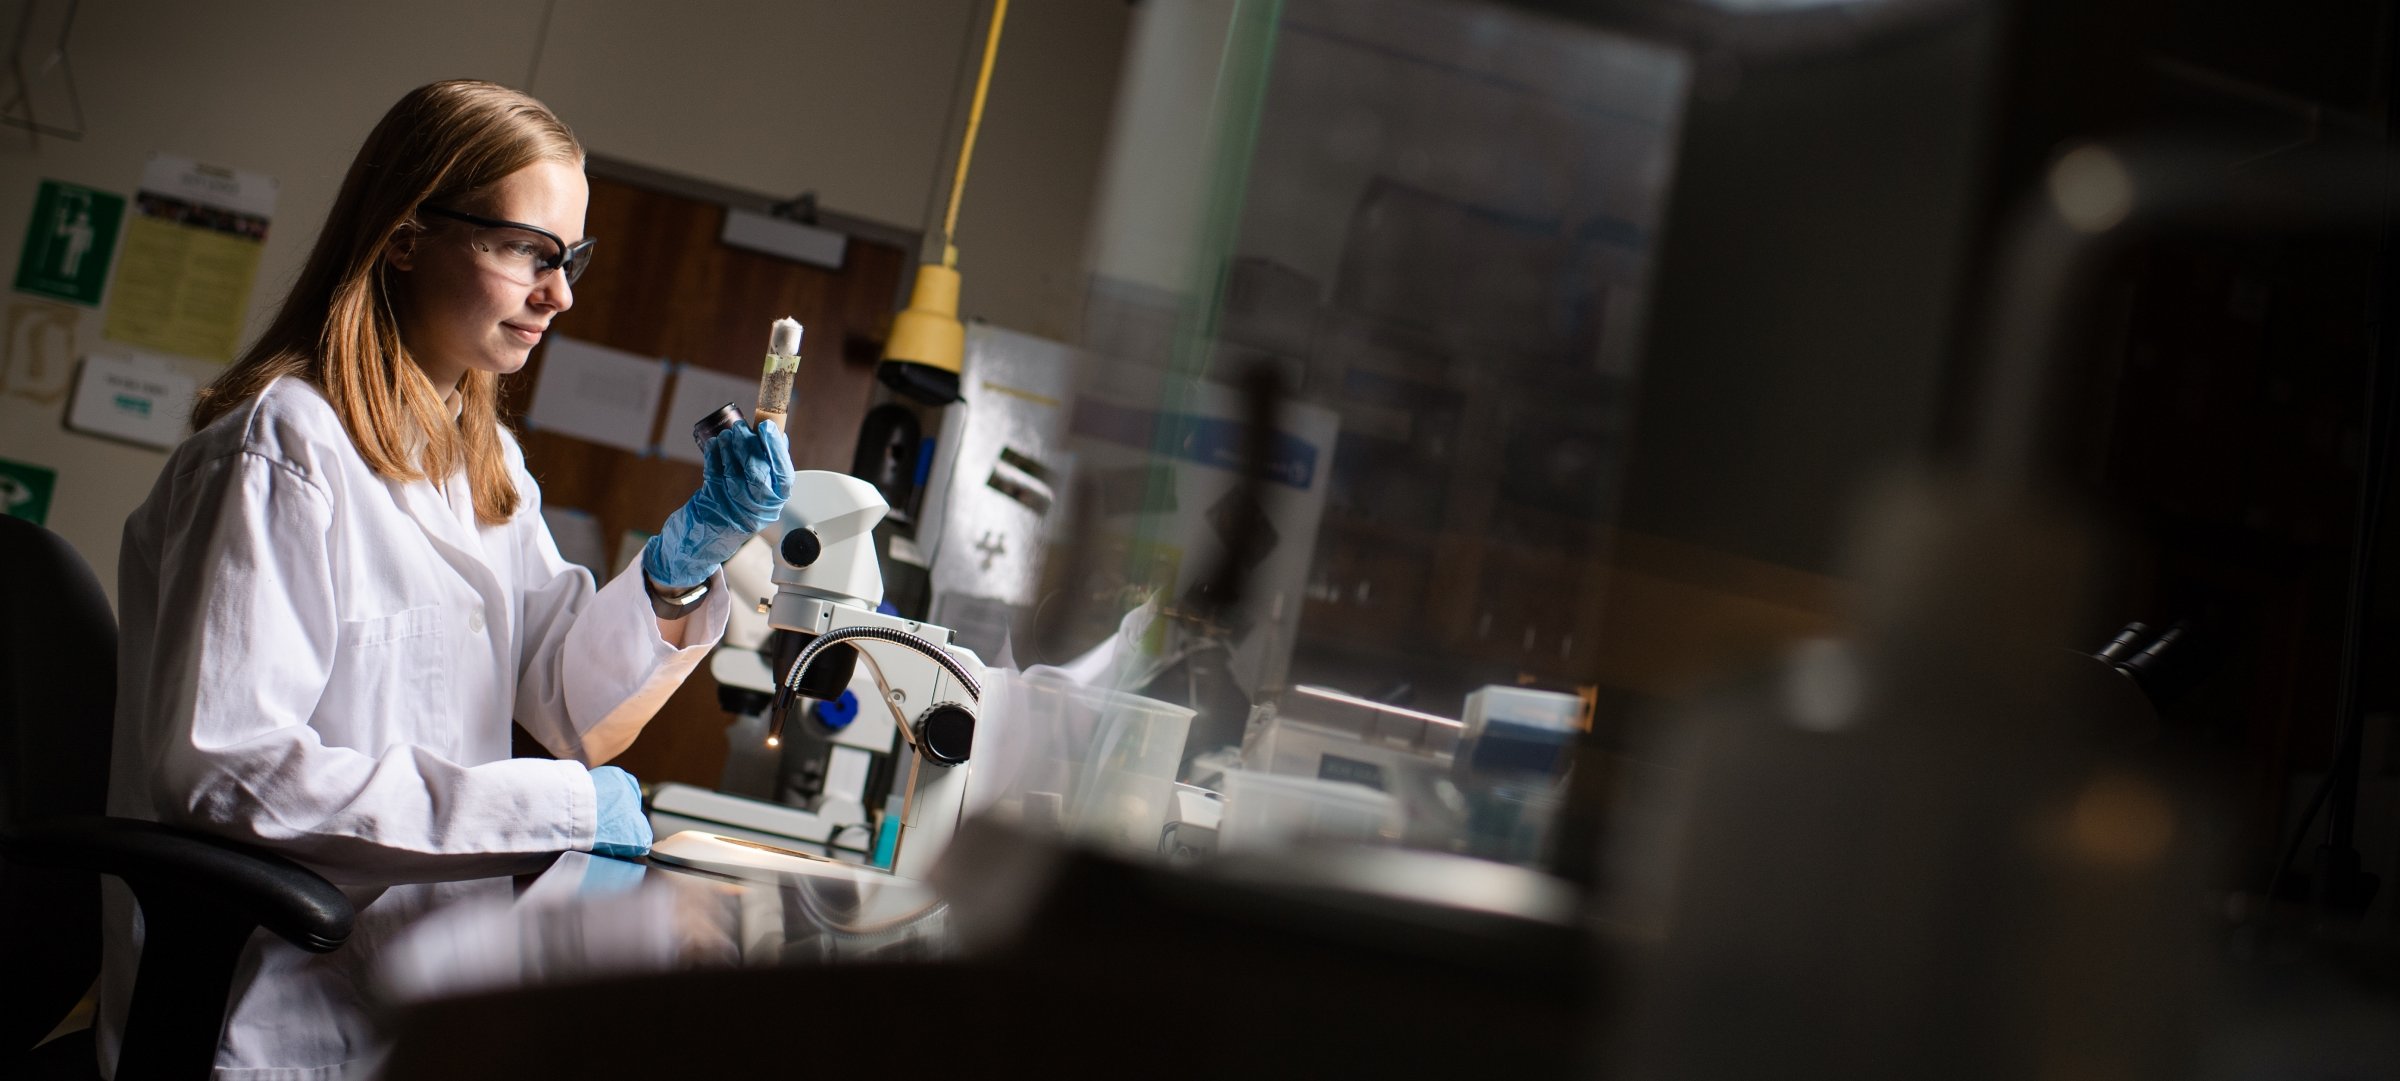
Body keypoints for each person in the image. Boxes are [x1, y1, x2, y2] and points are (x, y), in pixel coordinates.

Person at [99, 80, 791, 1078]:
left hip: (403, 992)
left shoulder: (486, 457)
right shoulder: (282, 446)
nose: (561, 294)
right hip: (262, 1018)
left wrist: (685, 566)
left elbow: (564, 707)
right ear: (405, 235)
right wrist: (554, 809)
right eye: (529, 252)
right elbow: (226, 774)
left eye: (571, 258)